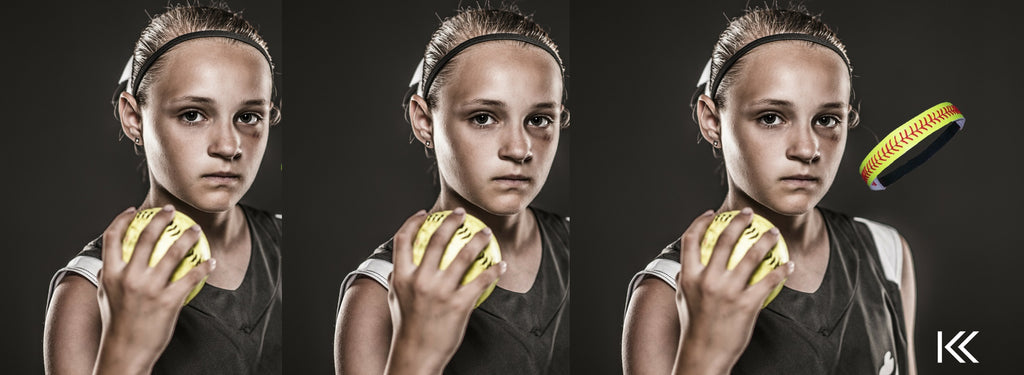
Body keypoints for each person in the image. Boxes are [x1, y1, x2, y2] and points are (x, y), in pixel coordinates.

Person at [622, 6, 917, 375]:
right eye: (771, 118)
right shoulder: (666, 293)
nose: (808, 149)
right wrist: (704, 353)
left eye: (827, 120)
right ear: (712, 121)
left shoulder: (887, 253)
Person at [43, 4, 282, 374]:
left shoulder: (287, 242)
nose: (228, 145)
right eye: (192, 115)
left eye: (248, 117)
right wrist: (125, 351)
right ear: (133, 117)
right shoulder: (86, 292)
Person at [334, 6, 569, 375]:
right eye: (484, 118)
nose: (520, 149)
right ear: (424, 120)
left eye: (539, 120)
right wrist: (416, 352)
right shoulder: (376, 295)